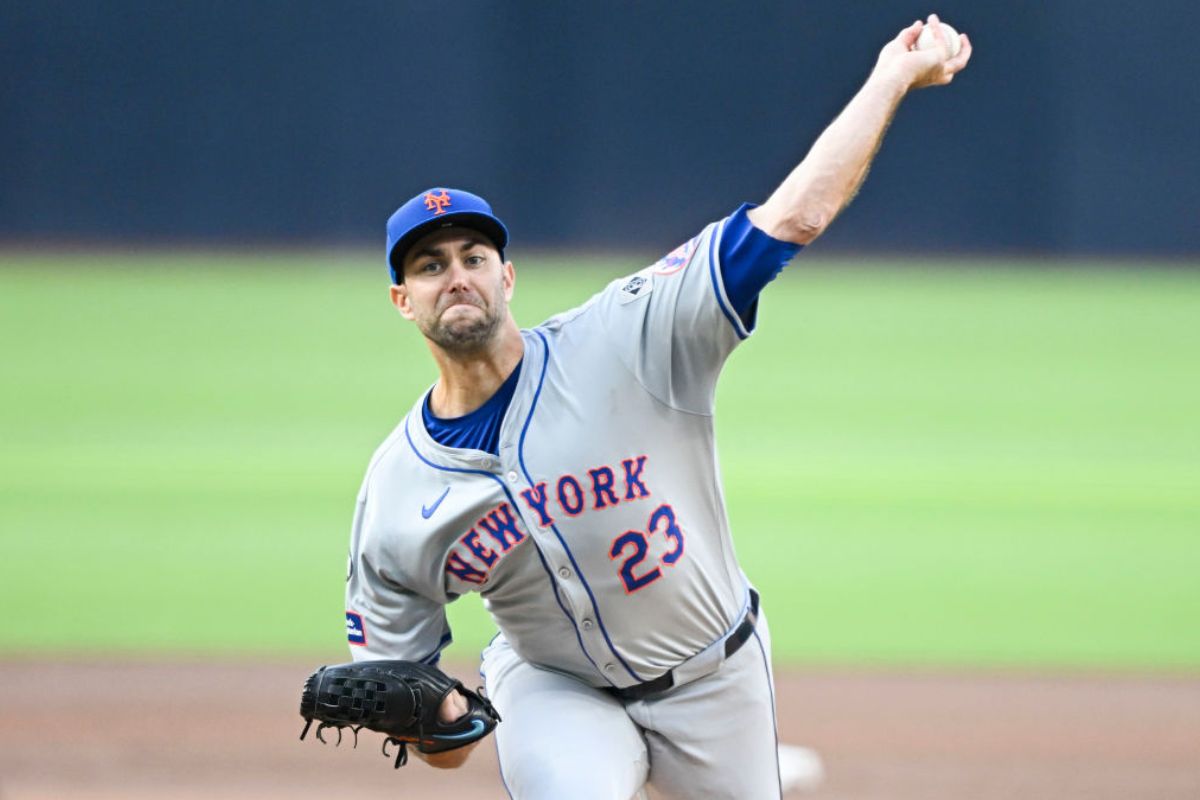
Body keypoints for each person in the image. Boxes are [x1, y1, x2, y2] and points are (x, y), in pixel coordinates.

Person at [343, 16, 971, 799]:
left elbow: (790, 220)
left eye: (475, 257)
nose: (457, 276)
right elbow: (441, 747)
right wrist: (431, 714)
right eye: (431, 266)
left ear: (509, 277)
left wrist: (890, 78)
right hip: (552, 686)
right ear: (404, 300)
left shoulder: (625, 339)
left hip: (717, 678)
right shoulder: (400, 487)